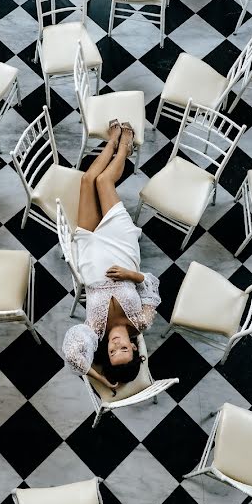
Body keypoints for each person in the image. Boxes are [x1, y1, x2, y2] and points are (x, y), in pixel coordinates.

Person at [62, 121, 160, 391]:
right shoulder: (141, 321)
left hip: (91, 255)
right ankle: (121, 144)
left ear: (107, 353)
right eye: (125, 349)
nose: (117, 345)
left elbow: (72, 355)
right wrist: (131, 275)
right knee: (104, 181)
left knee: (86, 181)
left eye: (114, 352)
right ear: (133, 346)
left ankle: (114, 141)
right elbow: (152, 285)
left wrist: (100, 377)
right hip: (121, 249)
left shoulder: (94, 332)